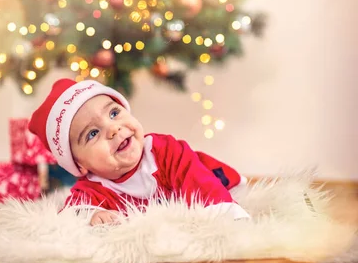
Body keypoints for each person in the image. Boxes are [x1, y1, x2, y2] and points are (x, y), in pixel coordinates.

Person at [29, 78, 249, 225]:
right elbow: (70, 216)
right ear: (80, 165)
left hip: (208, 181)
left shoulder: (165, 152)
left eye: (114, 113)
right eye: (92, 134)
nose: (113, 129)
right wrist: (93, 216)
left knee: (210, 184)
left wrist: (228, 218)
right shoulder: (93, 189)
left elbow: (200, 184)